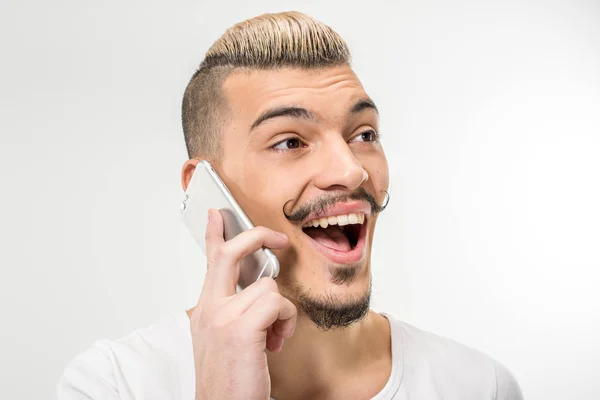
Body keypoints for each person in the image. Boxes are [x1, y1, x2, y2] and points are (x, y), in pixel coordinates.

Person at [57, 11, 523, 400]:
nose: (350, 171)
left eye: (364, 135)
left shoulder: (481, 386)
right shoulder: (112, 384)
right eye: (290, 142)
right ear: (206, 190)